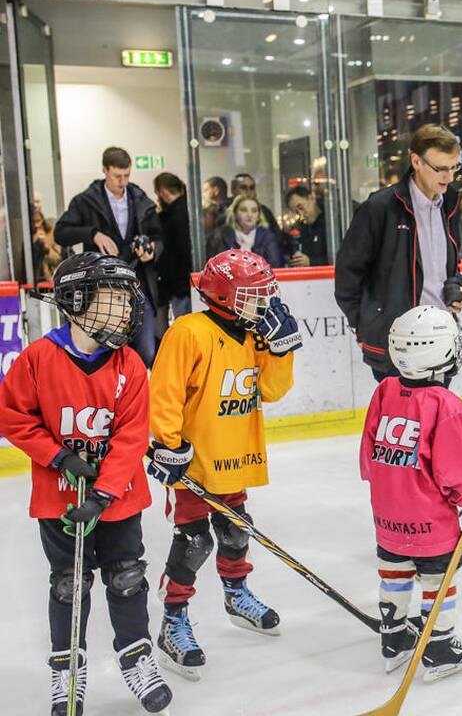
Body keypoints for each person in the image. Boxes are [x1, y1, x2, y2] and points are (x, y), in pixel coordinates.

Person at [0, 253, 173, 715]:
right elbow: (13, 416)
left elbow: (132, 436)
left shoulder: (130, 365)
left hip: (117, 498)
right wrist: (58, 456)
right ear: (76, 303)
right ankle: (67, 672)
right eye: (112, 301)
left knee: (127, 575)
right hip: (58, 498)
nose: (124, 311)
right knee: (68, 583)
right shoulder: (39, 359)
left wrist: (102, 492)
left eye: (125, 301)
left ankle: (137, 659)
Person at [147, 249, 301, 681]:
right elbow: (165, 391)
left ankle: (236, 593)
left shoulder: (253, 335)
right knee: (194, 542)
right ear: (226, 296)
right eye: (254, 295)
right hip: (195, 464)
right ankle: (173, 620)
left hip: (236, 456)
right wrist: (167, 444)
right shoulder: (189, 331)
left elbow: (271, 390)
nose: (264, 303)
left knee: (236, 532)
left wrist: (281, 348)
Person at [360, 305, 462, 681]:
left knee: (395, 573)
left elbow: (368, 456)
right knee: (437, 580)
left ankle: (395, 638)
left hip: (387, 514)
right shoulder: (447, 405)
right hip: (429, 520)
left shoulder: (385, 390)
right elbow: (450, 473)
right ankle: (438, 648)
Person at [335, 123, 462, 381]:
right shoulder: (380, 208)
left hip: (441, 337)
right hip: (398, 344)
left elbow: (449, 268)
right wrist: (366, 327)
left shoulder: (449, 203)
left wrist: (457, 287)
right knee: (406, 420)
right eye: (441, 169)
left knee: (437, 418)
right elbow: (347, 276)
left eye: (454, 168)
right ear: (416, 161)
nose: (449, 177)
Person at [54, 146, 164, 369]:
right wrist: (92, 233)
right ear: (105, 170)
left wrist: (151, 250)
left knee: (147, 350)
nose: (122, 182)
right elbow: (60, 232)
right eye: (117, 176)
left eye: (127, 175)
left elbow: (159, 238)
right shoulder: (85, 201)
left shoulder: (140, 199)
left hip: (136, 282)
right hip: (100, 286)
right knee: (104, 347)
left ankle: (135, 392)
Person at [153, 172, 193, 320]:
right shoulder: (191, 209)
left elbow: (173, 252)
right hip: (191, 281)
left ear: (162, 192)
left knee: (183, 324)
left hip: (179, 284)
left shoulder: (171, 217)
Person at [207, 196, 286, 268]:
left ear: (258, 216)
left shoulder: (268, 237)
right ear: (235, 214)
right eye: (244, 210)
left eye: (254, 211)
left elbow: (275, 266)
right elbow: (212, 267)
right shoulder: (219, 236)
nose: (249, 214)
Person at [284, 184, 329, 266]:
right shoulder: (300, 228)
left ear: (311, 198)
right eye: (296, 212)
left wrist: (311, 262)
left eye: (301, 207)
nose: (301, 214)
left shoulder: (330, 222)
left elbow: (339, 257)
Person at [31, 192, 62, 283]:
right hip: (32, 281)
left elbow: (58, 260)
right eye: (33, 202)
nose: (35, 205)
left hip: (49, 282)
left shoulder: (51, 230)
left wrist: (46, 247)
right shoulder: (25, 232)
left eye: (37, 201)